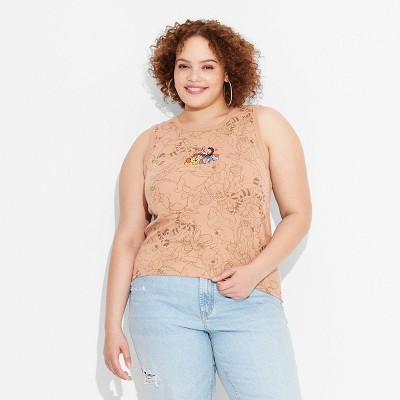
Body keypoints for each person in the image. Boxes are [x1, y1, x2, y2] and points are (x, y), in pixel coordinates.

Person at [103, 19, 312, 400]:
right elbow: (129, 237)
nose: (194, 76)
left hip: (248, 296)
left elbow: (298, 214)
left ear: (228, 71)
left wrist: (254, 271)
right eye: (184, 65)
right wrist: (111, 326)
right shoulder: (148, 143)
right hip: (161, 301)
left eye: (207, 66)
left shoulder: (263, 124)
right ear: (171, 71)